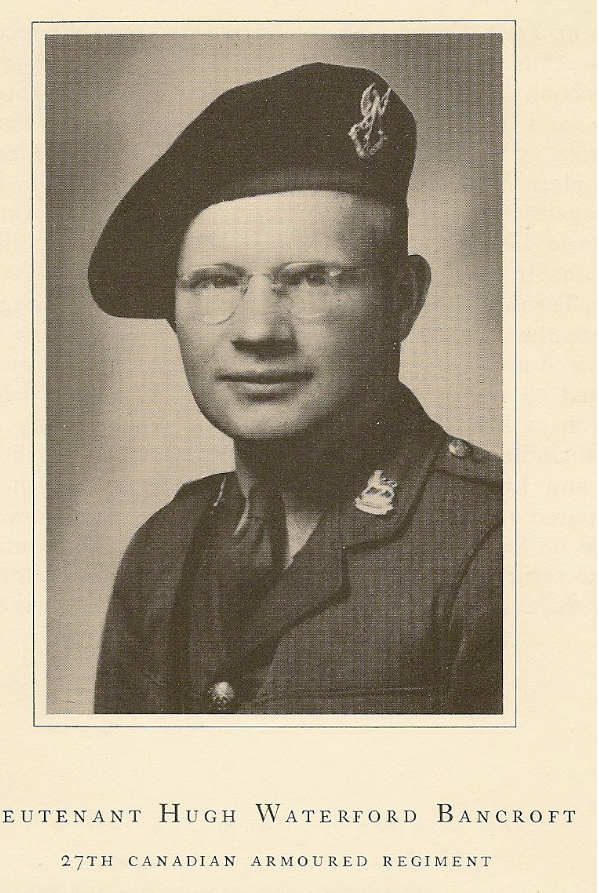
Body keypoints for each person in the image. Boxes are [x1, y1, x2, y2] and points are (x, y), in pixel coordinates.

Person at [88, 62, 502, 715]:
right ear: (174, 311)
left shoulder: (500, 545)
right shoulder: (165, 549)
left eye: (312, 278)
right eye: (215, 281)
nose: (258, 330)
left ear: (402, 299)